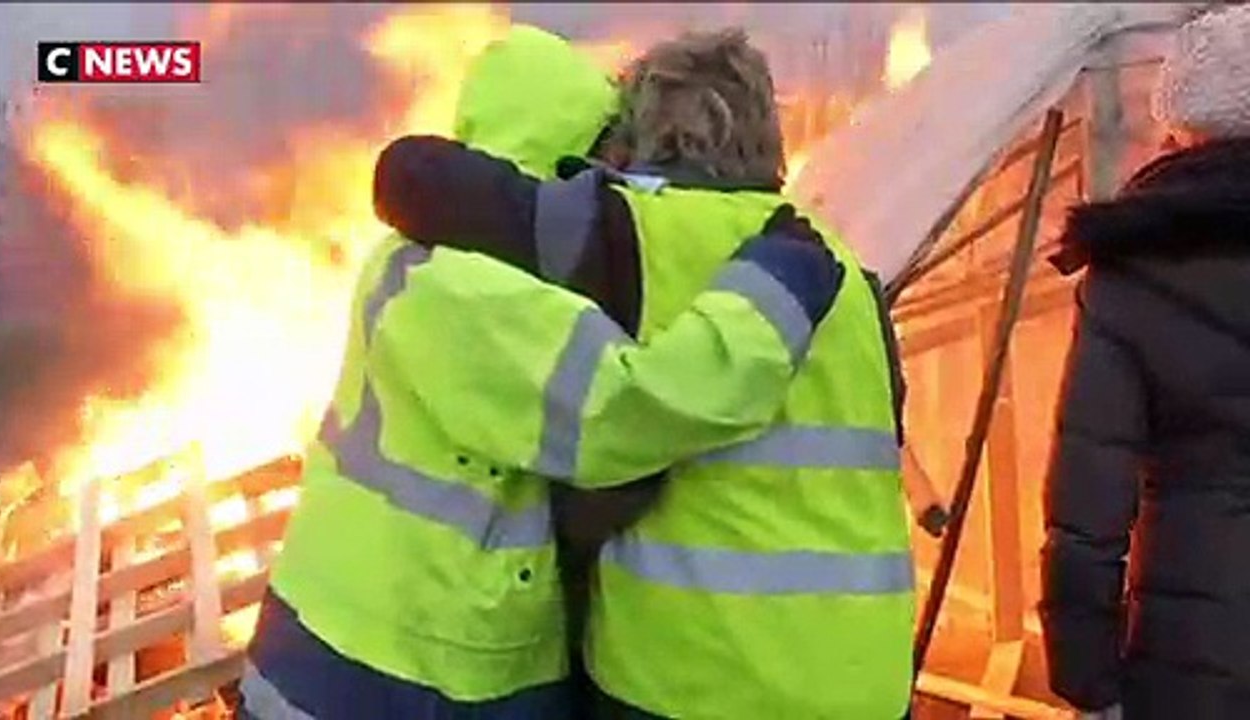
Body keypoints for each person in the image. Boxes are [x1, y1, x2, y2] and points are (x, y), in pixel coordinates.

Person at [238, 25, 846, 720]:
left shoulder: (416, 257)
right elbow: (630, 412)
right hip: (414, 670)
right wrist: (775, 290)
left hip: (338, 634)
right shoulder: (474, 291)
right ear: (562, 154)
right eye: (604, 157)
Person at [374, 28, 915, 719]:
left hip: (689, 683)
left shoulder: (620, 229)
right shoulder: (848, 273)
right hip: (863, 684)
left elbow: (417, 181)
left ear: (641, 137)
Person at [1041, 6, 1250, 719]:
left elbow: (1086, 512)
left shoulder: (1130, 278)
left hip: (1189, 664)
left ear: (1181, 129)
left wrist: (1088, 681)